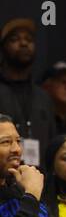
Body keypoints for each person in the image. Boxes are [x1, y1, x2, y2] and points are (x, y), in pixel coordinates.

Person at [0, 18, 56, 166]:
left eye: (29, 39)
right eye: (15, 39)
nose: (24, 43)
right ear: (3, 47)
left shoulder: (43, 97)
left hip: (38, 179)